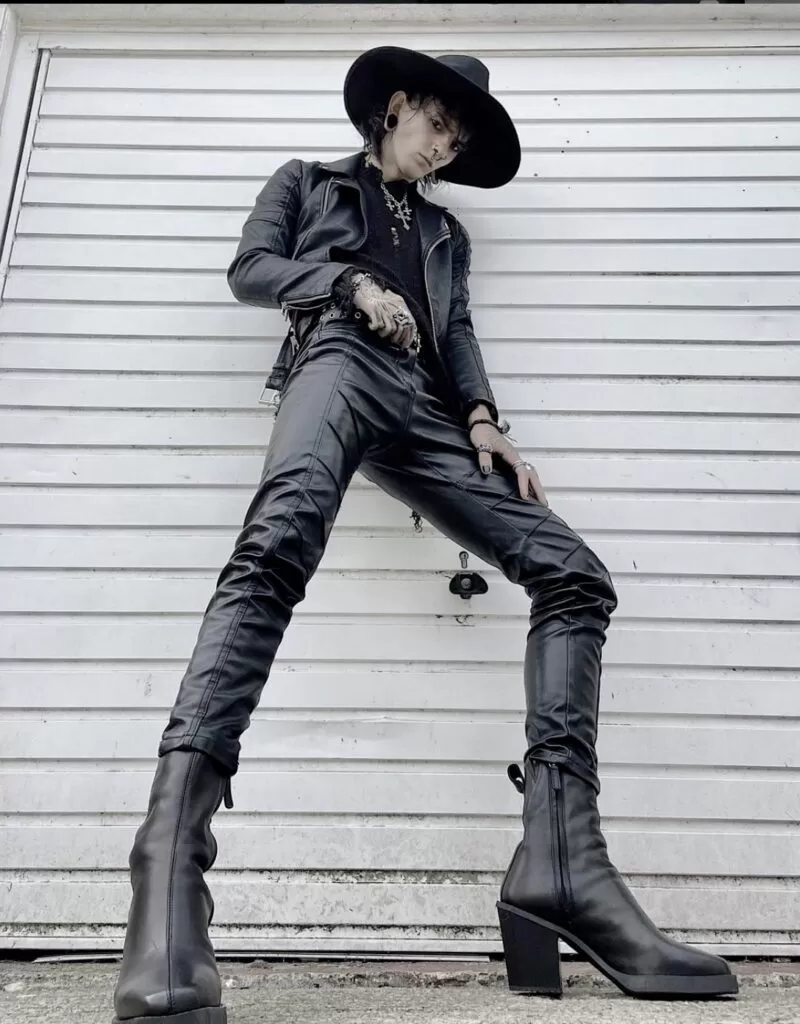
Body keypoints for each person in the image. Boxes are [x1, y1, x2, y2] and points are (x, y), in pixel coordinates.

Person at [111, 47, 738, 1024]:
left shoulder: (446, 233)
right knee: (274, 549)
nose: (444, 147)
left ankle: (562, 862)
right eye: (438, 124)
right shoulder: (306, 182)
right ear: (395, 106)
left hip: (427, 411)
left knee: (573, 574)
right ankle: (167, 871)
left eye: (458, 140)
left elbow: (458, 336)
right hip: (338, 357)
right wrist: (348, 285)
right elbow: (251, 270)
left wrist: (483, 419)